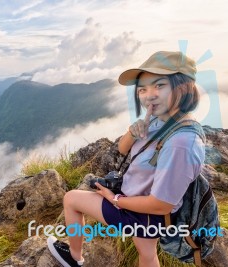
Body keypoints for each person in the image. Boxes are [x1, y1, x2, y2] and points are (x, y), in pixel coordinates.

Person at [47, 51, 205, 267]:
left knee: (72, 199)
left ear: (183, 86)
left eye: (159, 85)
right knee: (146, 253)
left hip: (143, 213)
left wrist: (114, 199)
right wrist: (133, 131)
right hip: (144, 209)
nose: (149, 95)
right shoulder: (163, 121)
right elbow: (122, 149)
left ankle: (74, 258)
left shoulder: (181, 142)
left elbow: (161, 205)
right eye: (143, 89)